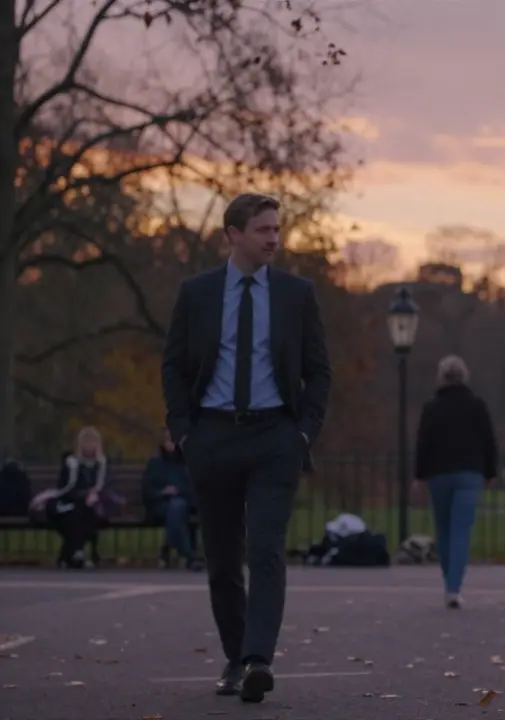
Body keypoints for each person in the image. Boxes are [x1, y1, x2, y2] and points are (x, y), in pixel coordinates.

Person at [161, 193, 332, 703]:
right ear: (233, 235)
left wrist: (302, 432)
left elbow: (319, 370)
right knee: (222, 559)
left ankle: (259, 658)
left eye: (277, 229)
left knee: (264, 549)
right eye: (262, 230)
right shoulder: (197, 294)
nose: (274, 239)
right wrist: (185, 431)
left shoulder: (296, 294)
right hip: (212, 436)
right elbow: (173, 366)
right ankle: (236, 657)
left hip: (274, 437)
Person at [413, 354, 498, 609]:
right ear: (464, 376)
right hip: (470, 473)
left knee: (443, 529)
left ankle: (447, 578)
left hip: (439, 474)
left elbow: (423, 443)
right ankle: (454, 587)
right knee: (461, 530)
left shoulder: (431, 407)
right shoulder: (477, 406)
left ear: (441, 376)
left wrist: (419, 475)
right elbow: (488, 441)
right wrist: (490, 472)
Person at [48, 426, 109, 569]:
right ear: (80, 444)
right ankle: (77, 552)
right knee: (79, 513)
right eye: (86, 442)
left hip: (94, 506)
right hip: (67, 505)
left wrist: (94, 495)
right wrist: (83, 496)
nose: (90, 446)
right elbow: (64, 489)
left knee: (87, 512)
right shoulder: (71, 463)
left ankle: (69, 554)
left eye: (93, 442)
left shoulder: (102, 464)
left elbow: (106, 485)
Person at [142, 429, 203, 571]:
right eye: (168, 439)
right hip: (159, 506)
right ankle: (189, 556)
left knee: (178, 505)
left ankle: (172, 547)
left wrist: (178, 491)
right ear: (163, 442)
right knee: (176, 507)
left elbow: (194, 491)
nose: (171, 443)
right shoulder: (155, 463)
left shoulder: (188, 464)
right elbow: (147, 491)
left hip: (184, 506)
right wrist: (163, 493)